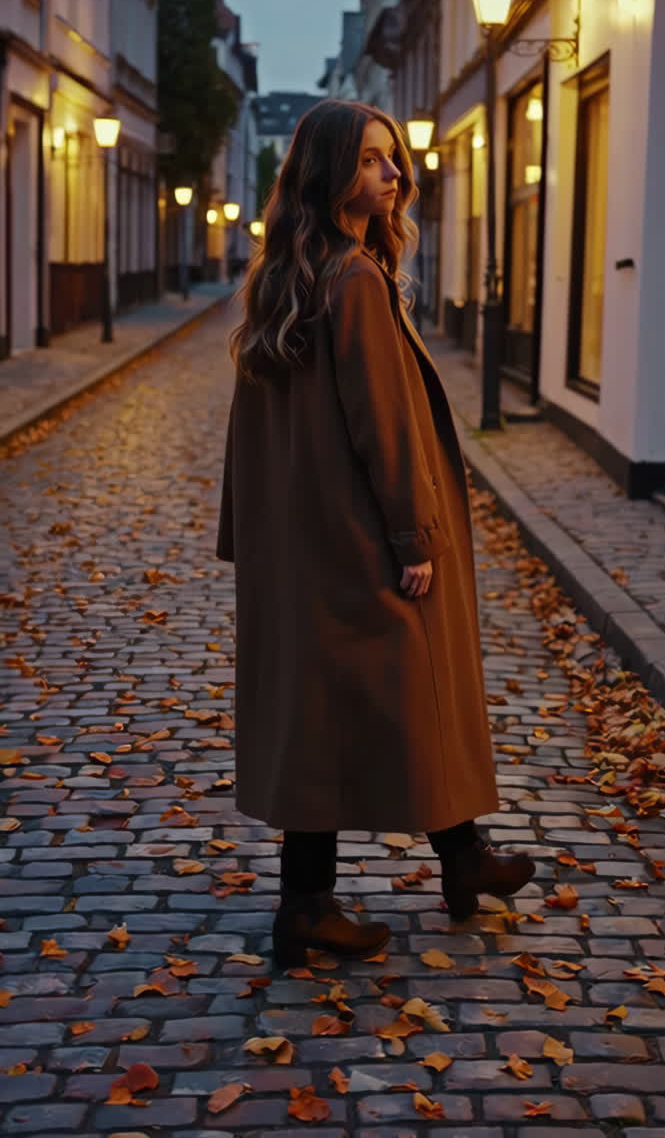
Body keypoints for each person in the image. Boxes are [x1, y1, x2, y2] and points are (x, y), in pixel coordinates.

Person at [216, 100, 534, 969]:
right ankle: (321, 901)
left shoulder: (290, 274)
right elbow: (384, 426)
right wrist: (414, 536)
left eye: (392, 160)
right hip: (357, 541)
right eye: (371, 162)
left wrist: (245, 534)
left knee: (338, 710)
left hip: (305, 548)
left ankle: (453, 860)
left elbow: (251, 431)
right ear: (329, 176)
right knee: (410, 692)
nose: (394, 176)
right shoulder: (352, 279)